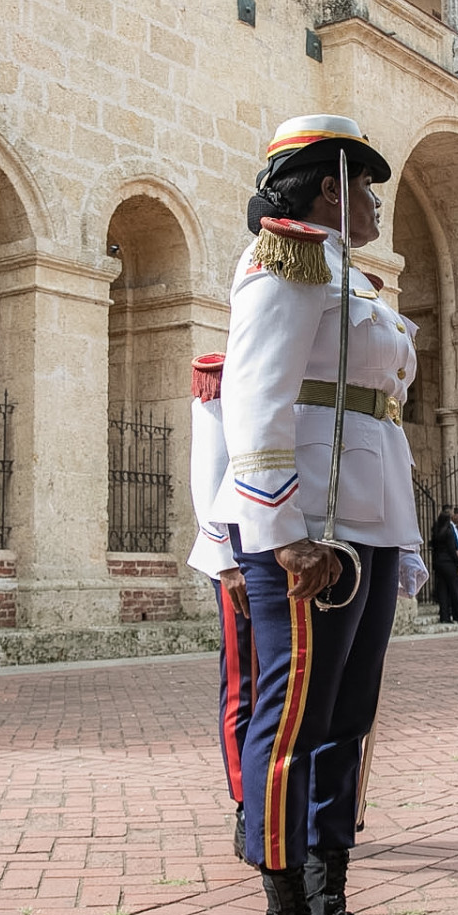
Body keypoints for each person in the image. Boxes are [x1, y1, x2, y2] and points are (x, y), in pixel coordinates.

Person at [211, 113, 423, 915]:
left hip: (363, 523)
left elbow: (377, 418)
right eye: (365, 184)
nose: (375, 201)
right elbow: (254, 397)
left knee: (347, 721)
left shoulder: (349, 276)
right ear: (329, 187)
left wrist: (402, 535)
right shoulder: (287, 260)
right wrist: (282, 530)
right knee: (293, 722)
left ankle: (331, 913)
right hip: (311, 532)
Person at [187, 353, 255, 864]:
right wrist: (227, 562)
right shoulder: (225, 372)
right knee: (245, 682)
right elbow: (211, 469)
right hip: (244, 556)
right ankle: (247, 803)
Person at [429, 506, 458, 624]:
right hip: (449, 564)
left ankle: (444, 616)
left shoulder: (437, 531)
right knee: (454, 590)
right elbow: (452, 550)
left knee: (443, 590)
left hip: (439, 563)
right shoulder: (449, 531)